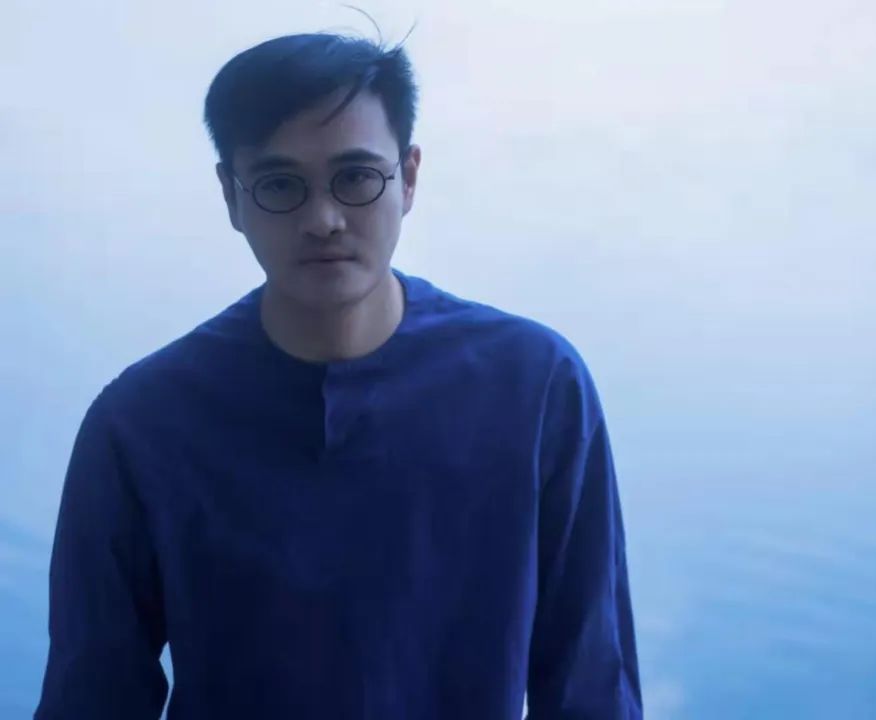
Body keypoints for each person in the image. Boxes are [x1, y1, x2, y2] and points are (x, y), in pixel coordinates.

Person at [35, 31, 642, 720]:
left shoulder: (535, 389)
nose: (323, 220)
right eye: (279, 185)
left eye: (355, 178)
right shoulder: (141, 425)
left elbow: (592, 685)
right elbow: (92, 697)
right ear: (231, 196)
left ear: (408, 177)